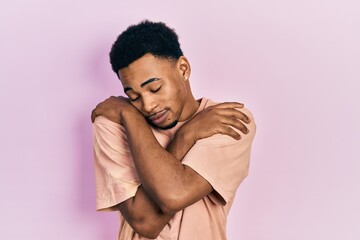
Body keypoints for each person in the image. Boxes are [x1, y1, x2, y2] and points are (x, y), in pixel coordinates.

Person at [91, 20, 256, 240]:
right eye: (134, 97)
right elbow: (145, 222)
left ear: (183, 69)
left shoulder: (229, 121)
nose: (148, 106)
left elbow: (174, 193)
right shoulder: (114, 124)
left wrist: (183, 133)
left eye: (155, 88)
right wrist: (185, 134)